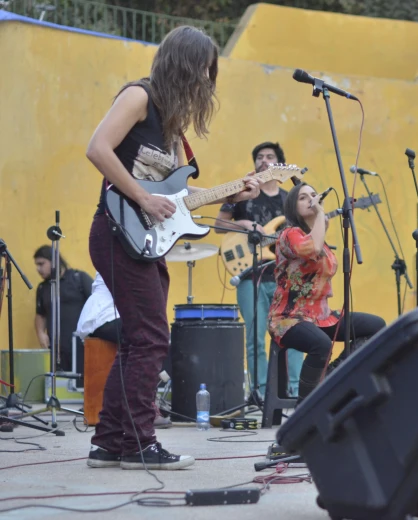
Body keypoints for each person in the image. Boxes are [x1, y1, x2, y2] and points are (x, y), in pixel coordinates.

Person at [84, 26, 261, 470]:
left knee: (138, 340)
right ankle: (140, 443)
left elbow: (177, 199)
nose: (207, 78)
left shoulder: (170, 124)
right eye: (204, 68)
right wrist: (142, 198)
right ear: (183, 63)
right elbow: (97, 148)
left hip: (142, 240)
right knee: (151, 338)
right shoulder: (138, 97)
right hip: (115, 229)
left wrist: (232, 194)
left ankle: (109, 442)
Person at [267, 183, 386, 405]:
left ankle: (332, 376)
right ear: (293, 206)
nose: (311, 199)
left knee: (376, 326)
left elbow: (317, 248)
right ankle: (304, 411)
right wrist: (321, 213)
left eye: (313, 194)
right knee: (321, 344)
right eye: (303, 198)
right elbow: (309, 249)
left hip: (321, 316)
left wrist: (320, 219)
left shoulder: (320, 237)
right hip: (289, 317)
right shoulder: (289, 234)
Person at [216, 142, 304, 399]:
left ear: (280, 164)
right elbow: (220, 226)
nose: (264, 161)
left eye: (270, 157)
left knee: (295, 333)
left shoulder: (290, 199)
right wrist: (244, 223)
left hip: (284, 277)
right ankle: (261, 394)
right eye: (260, 157)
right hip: (249, 275)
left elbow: (302, 233)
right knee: (255, 337)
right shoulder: (243, 192)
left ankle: (297, 391)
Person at [75, 272, 171, 429]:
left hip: (111, 316)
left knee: (151, 338)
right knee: (149, 341)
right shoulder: (122, 255)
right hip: (104, 316)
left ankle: (138, 407)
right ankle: (142, 408)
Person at [33, 245, 93, 376]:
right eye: (36, 265)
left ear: (54, 260)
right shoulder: (43, 288)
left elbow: (97, 305)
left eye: (41, 264)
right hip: (56, 350)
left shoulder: (79, 278)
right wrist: (40, 333)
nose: (38, 269)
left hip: (81, 346)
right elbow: (40, 314)